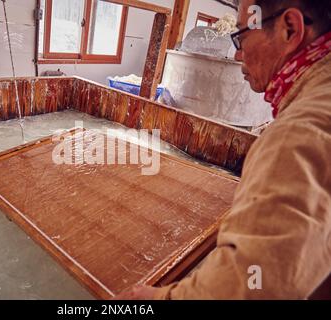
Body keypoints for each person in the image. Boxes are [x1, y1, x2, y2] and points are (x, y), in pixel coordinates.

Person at [114, 0, 331, 300]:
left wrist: (157, 299)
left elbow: (254, 283)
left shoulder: (298, 135)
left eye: (241, 38)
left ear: (289, 29)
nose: (238, 53)